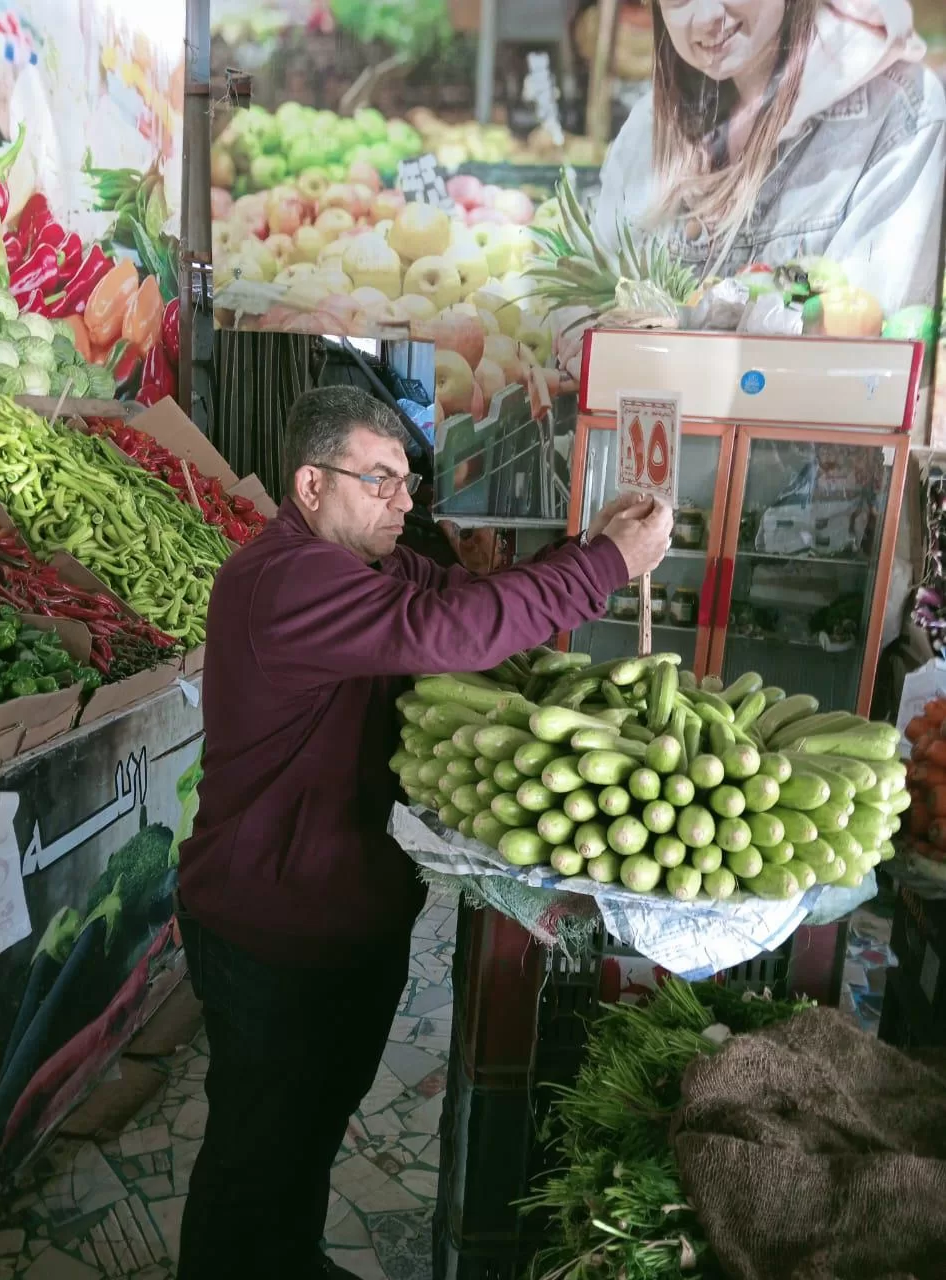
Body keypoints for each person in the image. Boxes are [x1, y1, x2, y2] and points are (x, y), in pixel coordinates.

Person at [174, 386, 672, 1279]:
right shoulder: (283, 580)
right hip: (269, 927)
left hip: (342, 911)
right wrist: (601, 563)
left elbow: (467, 598)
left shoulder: (367, 564)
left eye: (406, 481)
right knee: (256, 1149)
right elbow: (447, 630)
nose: (403, 502)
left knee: (308, 1130)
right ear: (309, 485)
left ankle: (287, 1257)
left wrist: (577, 552)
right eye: (379, 480)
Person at [593, 0, 946, 317]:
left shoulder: (897, 114)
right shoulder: (649, 129)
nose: (706, 17)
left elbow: (864, 337)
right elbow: (590, 289)